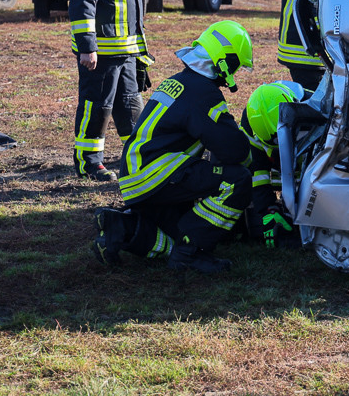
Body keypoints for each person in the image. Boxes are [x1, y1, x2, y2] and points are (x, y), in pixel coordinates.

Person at [92, 21, 254, 273]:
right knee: (236, 180)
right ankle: (189, 255)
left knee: (173, 239)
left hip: (139, 177)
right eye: (237, 65)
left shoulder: (180, 81)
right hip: (158, 174)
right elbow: (235, 150)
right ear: (224, 61)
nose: (235, 73)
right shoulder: (203, 92)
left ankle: (120, 227)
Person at [69, 0, 149, 181]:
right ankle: (89, 163)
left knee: (131, 104)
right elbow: (82, 5)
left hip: (126, 50)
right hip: (101, 53)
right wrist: (87, 47)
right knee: (97, 106)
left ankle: (138, 158)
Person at [239, 81, 310, 247]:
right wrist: (267, 209)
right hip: (281, 170)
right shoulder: (251, 122)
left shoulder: (316, 108)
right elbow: (257, 170)